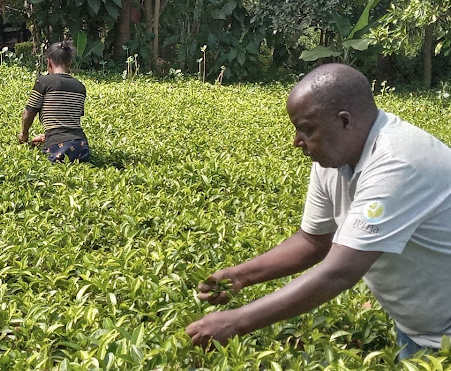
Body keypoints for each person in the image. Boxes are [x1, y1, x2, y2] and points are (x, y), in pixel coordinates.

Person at [185, 63, 451, 360]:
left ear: (344, 122)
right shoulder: (333, 159)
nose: (297, 141)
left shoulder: (397, 162)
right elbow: (313, 241)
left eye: (306, 129)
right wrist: (239, 276)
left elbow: (339, 271)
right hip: (421, 330)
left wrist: (237, 321)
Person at [18, 41, 90, 163]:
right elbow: (69, 123)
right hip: (81, 145)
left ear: (49, 62)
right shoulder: (80, 87)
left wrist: (24, 134)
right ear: (69, 62)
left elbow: (28, 114)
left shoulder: (44, 82)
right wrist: (47, 136)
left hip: (57, 147)